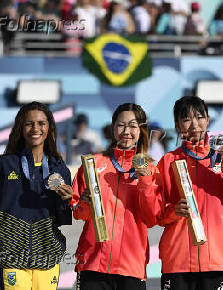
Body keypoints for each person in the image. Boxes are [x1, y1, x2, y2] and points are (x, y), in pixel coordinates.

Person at [140, 96, 223, 290]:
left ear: (208, 120)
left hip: (215, 258)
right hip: (177, 260)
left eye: (199, 117)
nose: (194, 124)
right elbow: (155, 215)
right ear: (177, 125)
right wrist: (174, 212)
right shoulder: (168, 161)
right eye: (186, 119)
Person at [0, 102, 73, 290]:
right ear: (20, 128)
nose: (35, 128)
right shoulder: (4, 165)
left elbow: (62, 218)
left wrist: (67, 201)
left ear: (49, 127)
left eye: (41, 123)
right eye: (29, 123)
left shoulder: (59, 169)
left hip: (47, 258)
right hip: (12, 258)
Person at [70, 103, 157, 290]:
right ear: (113, 127)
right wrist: (85, 204)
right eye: (121, 125)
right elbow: (78, 213)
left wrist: (146, 182)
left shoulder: (150, 169)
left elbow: (152, 217)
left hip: (131, 266)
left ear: (141, 130)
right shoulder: (92, 165)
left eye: (133, 126)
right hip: (93, 263)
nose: (127, 131)